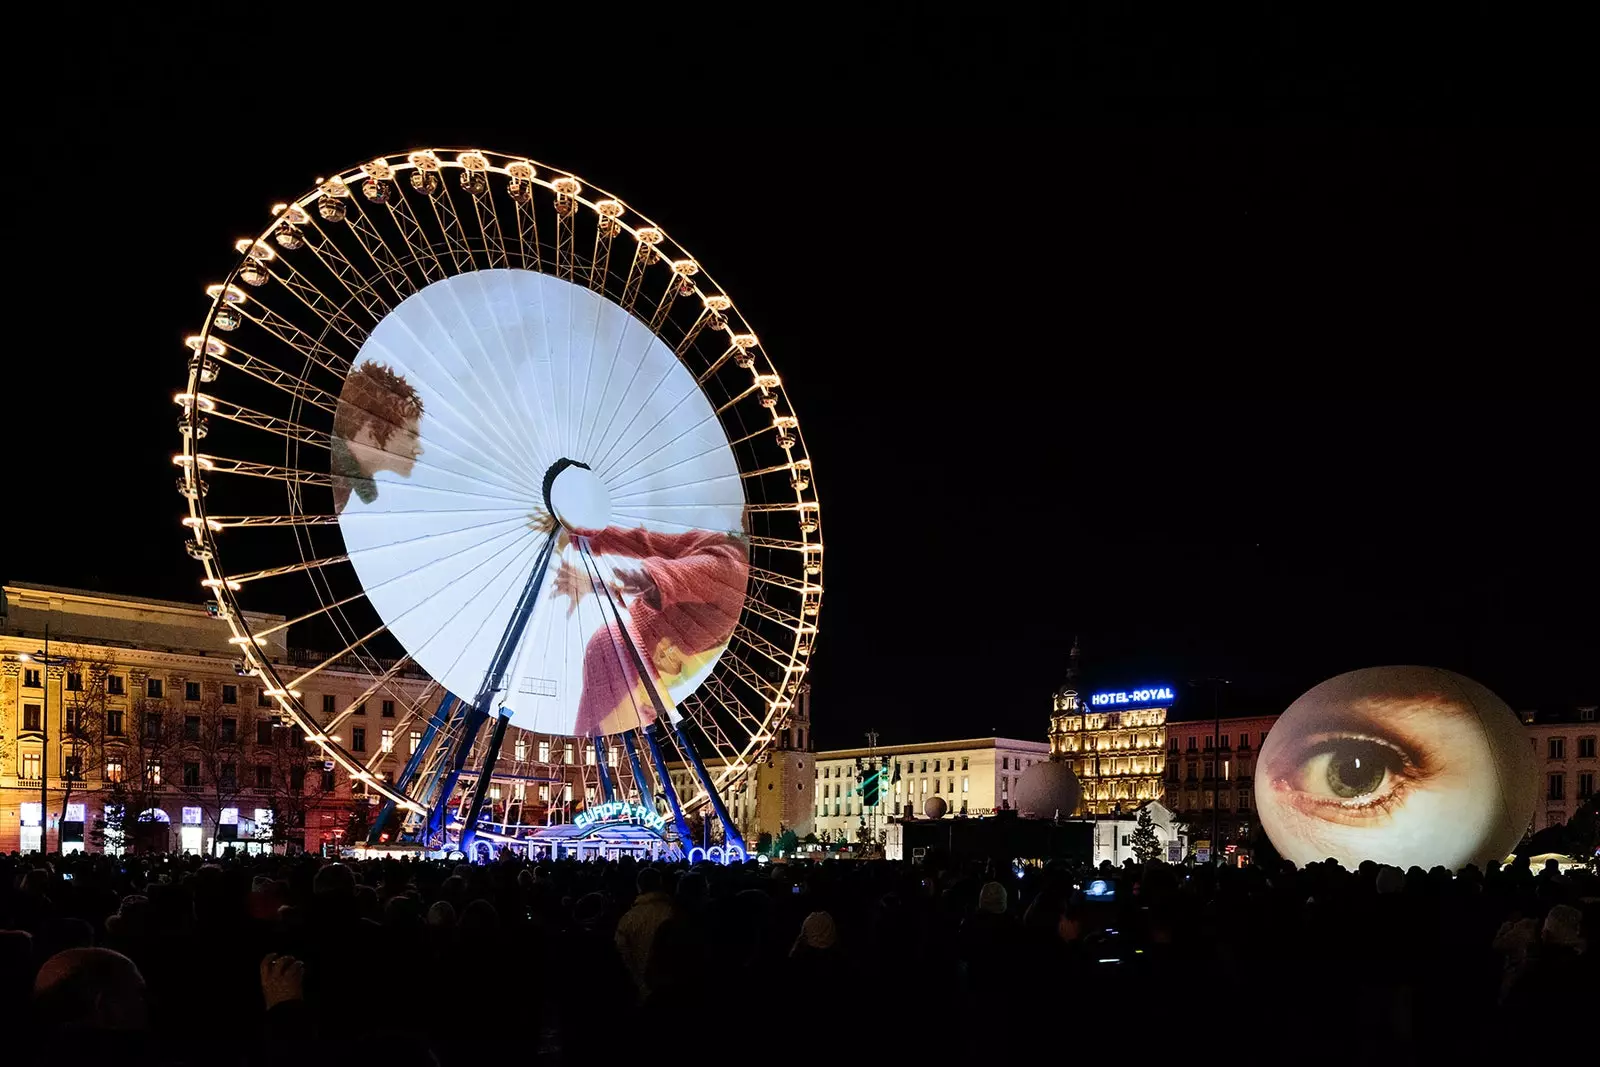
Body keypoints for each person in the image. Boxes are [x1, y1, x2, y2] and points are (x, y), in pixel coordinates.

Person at [550, 522, 749, 736]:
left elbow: (647, 548)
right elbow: (672, 572)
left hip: (626, 652)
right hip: (624, 655)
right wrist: (583, 538)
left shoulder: (724, 556)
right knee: (601, 739)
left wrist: (586, 547)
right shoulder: (726, 564)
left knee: (598, 738)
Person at [331, 360, 425, 513]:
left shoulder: (341, 480)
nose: (419, 450)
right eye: (410, 436)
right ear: (370, 432)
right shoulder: (332, 482)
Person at [614, 867, 675, 1000]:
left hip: (639, 988)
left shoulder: (629, 918)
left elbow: (622, 954)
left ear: (639, 886)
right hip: (670, 987)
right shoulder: (673, 913)